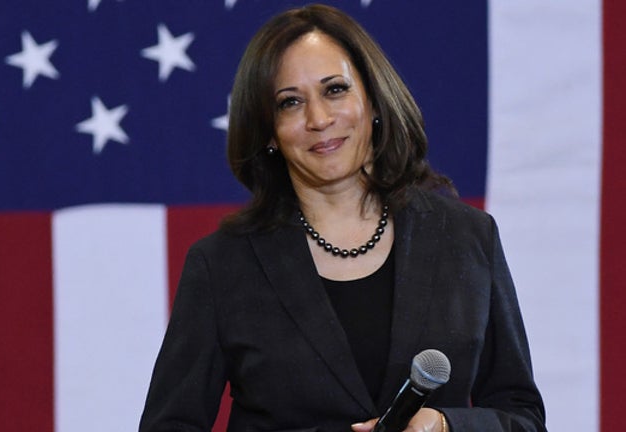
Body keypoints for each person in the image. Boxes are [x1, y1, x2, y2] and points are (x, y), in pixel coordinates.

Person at [139, 4, 546, 431]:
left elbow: (522, 416)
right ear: (270, 132)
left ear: (372, 99)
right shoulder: (222, 264)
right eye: (290, 102)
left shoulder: (467, 237)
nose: (319, 119)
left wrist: (447, 426)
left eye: (335, 90)